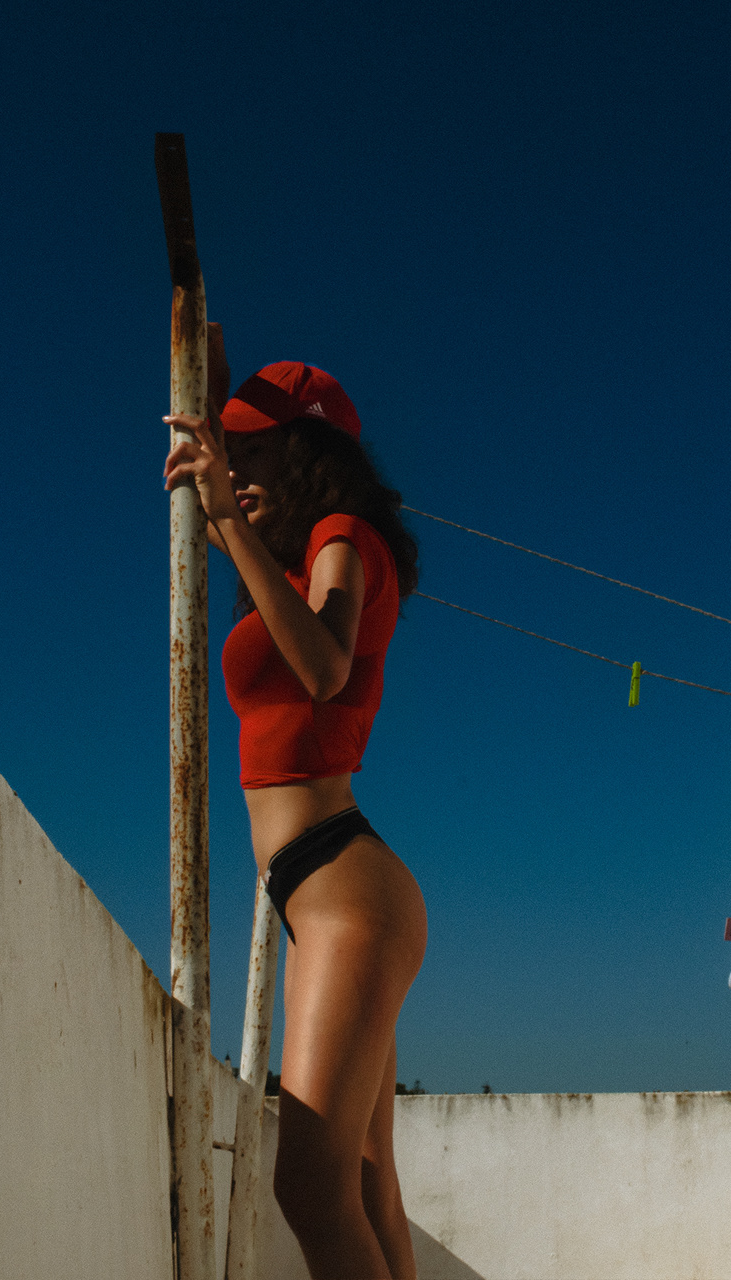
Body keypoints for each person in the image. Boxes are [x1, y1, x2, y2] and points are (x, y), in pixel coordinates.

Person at [164, 357, 426, 1280]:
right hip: (325, 891)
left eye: (256, 451)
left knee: (311, 1189)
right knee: (367, 1184)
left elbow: (323, 667)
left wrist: (230, 520)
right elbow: (227, 531)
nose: (238, 472)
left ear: (310, 453)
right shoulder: (291, 558)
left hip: (343, 889)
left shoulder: (343, 536)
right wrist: (214, 475)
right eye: (230, 453)